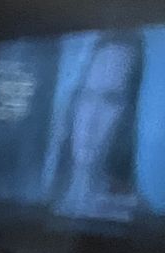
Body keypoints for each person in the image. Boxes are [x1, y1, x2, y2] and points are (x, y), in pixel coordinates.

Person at [51, 32, 149, 223]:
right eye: (86, 96)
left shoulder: (138, 217)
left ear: (130, 114)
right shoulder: (38, 193)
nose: (91, 118)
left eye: (110, 100)